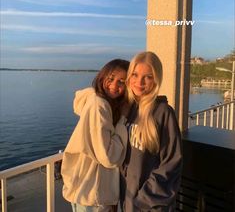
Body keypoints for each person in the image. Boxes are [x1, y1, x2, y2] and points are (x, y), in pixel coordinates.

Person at [61, 59, 130, 212]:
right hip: (93, 194)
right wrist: (123, 120)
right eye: (111, 79)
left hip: (86, 189)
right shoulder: (99, 105)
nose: (114, 86)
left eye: (121, 82)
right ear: (102, 76)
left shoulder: (98, 101)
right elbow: (108, 157)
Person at [120, 51, 182, 212]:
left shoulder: (164, 113)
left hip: (149, 206)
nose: (139, 82)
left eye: (148, 76)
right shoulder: (129, 110)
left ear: (156, 79)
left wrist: (142, 201)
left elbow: (171, 164)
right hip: (126, 200)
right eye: (135, 74)